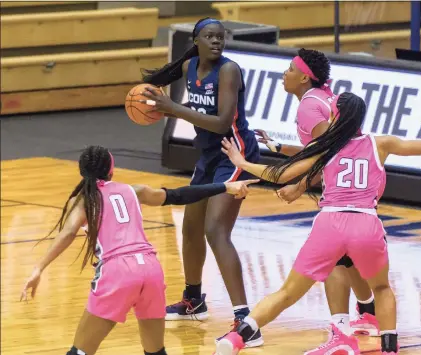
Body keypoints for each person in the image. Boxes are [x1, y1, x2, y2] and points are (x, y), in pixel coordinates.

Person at [215, 94, 421, 355]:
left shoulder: (325, 146)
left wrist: (241, 162)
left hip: (330, 223)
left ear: (335, 116)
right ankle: (388, 349)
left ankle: (238, 338)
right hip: (366, 223)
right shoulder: (380, 143)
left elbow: (280, 174)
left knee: (286, 293)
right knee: (382, 288)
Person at [20, 145, 259, 355]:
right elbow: (179, 195)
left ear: (83, 173)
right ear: (111, 169)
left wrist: (38, 268)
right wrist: (226, 186)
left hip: (117, 273)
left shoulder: (86, 200)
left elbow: (68, 232)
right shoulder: (133, 191)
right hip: (151, 270)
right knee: (155, 351)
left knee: (80, 351)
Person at [139, 18, 262, 346]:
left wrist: (173, 108)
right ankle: (194, 299)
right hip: (207, 156)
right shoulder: (190, 65)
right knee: (191, 227)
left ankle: (244, 320)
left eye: (220, 37)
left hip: (233, 154)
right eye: (209, 37)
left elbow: (223, 123)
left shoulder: (229, 71)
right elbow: (162, 92)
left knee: (215, 231)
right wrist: (151, 103)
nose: (216, 41)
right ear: (196, 40)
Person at [254, 48, 379, 344]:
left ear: (303, 78)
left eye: (290, 69)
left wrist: (298, 187)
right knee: (347, 258)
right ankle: (369, 313)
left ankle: (343, 330)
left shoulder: (308, 107)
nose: (285, 74)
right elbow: (322, 148)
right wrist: (279, 148)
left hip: (347, 189)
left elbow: (329, 152)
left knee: (336, 257)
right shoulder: (320, 98)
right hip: (356, 182)